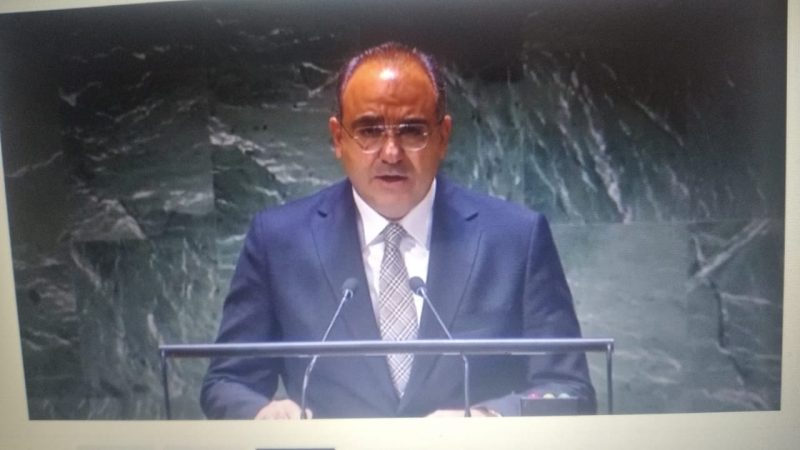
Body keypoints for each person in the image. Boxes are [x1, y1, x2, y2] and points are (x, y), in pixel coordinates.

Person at [201, 42, 595, 419]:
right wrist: (263, 413)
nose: (391, 152)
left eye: (412, 130)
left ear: (443, 137)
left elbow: (567, 388)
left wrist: (488, 417)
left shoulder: (515, 238)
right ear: (338, 139)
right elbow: (228, 381)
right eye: (369, 130)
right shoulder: (278, 241)